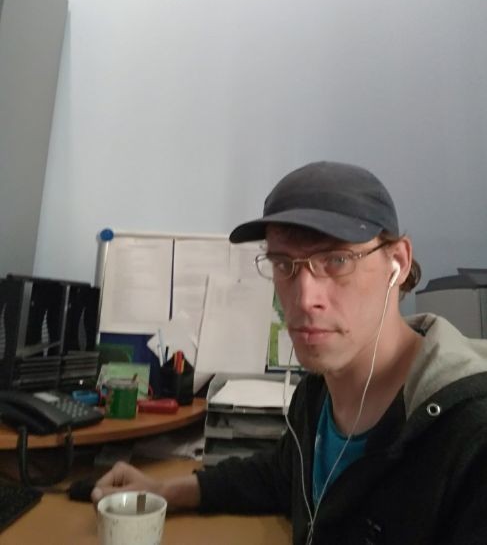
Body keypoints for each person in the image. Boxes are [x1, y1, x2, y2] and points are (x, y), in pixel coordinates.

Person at [92, 161, 487, 545]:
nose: (304, 297)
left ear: (396, 263)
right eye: (284, 264)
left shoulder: (470, 436)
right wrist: (164, 490)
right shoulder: (315, 397)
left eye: (336, 260)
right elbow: (280, 476)